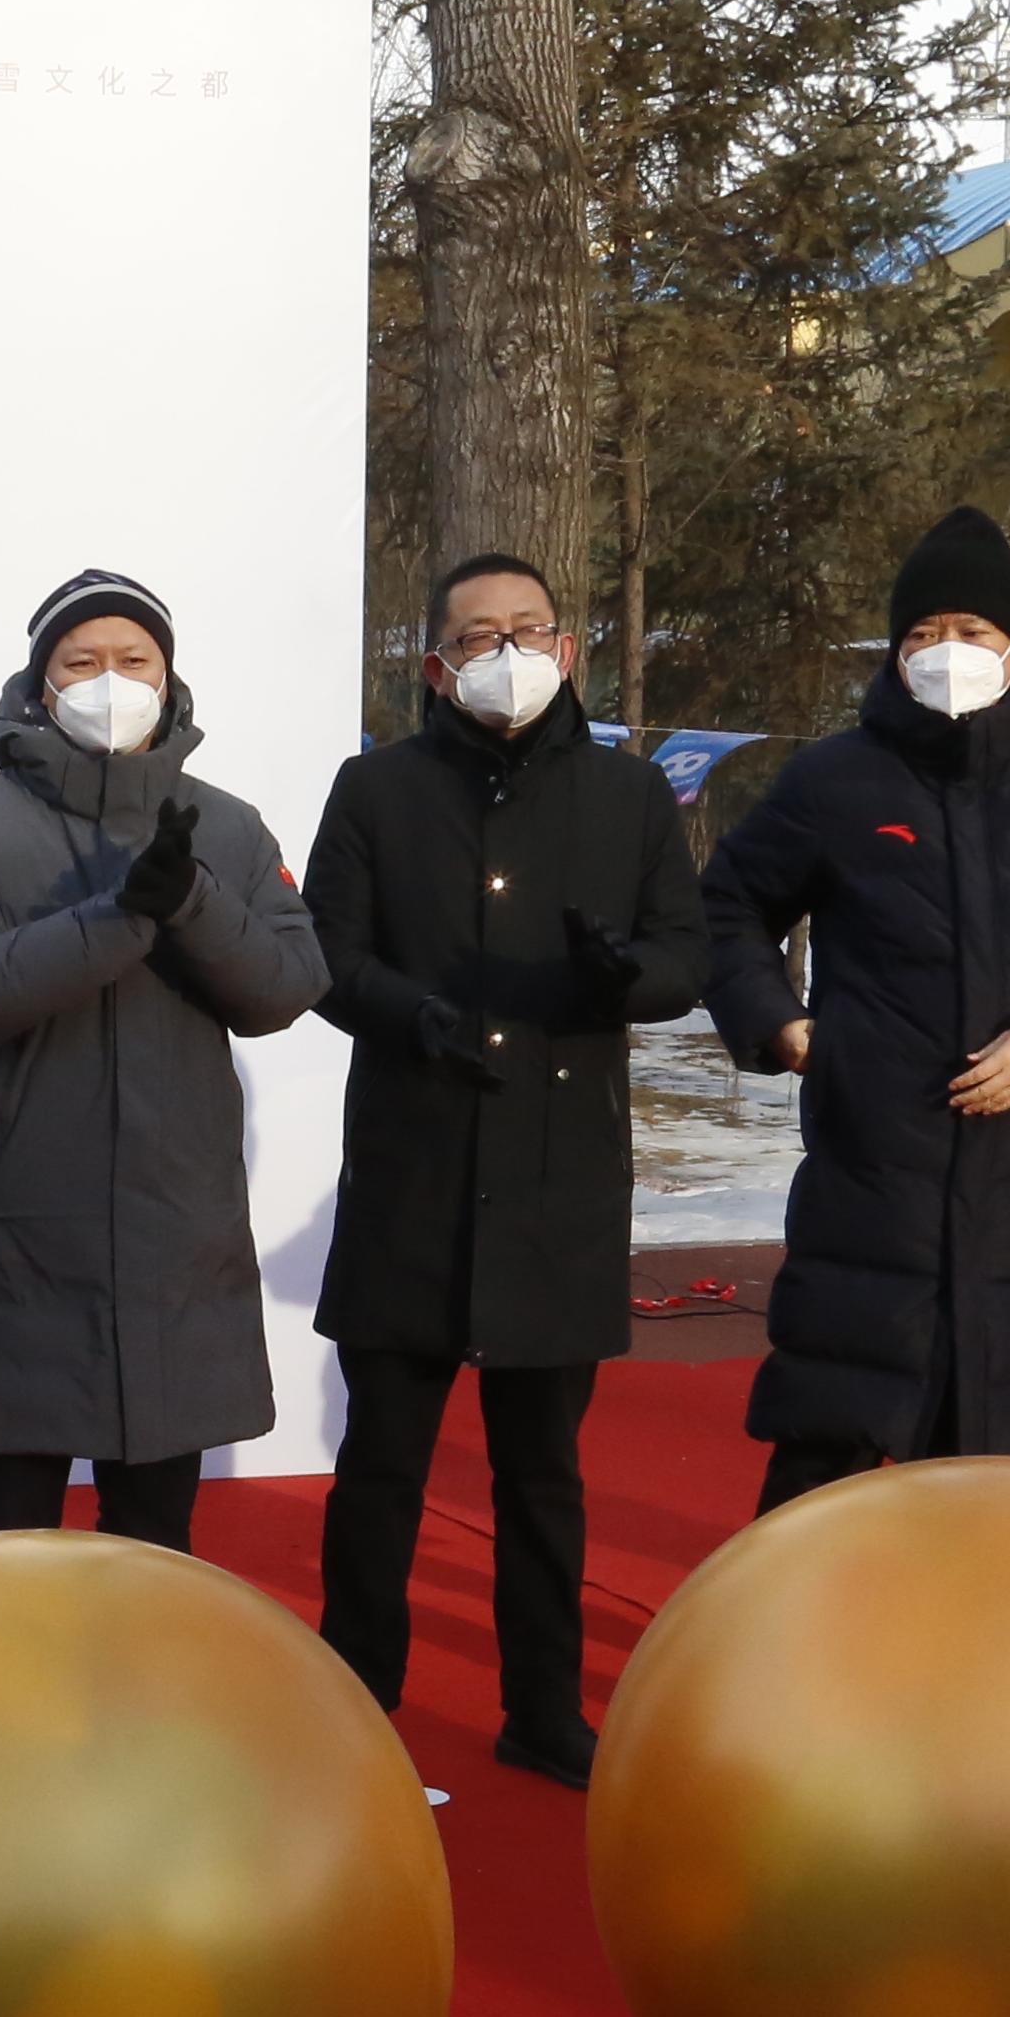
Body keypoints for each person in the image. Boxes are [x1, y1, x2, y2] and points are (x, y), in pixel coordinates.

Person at [699, 507, 1010, 1510]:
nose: (946, 651)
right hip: (870, 1178)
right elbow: (723, 908)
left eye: (971, 630)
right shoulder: (836, 778)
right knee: (824, 1479)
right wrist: (779, 1022)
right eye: (922, 633)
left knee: (1006, 1494)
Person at [301, 552, 703, 1790]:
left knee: (543, 1475)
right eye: (480, 636)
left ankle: (542, 1708)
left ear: (568, 650)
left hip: (555, 1176)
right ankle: (353, 1706)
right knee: (382, 1466)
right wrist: (410, 1014)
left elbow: (684, 954)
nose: (508, 652)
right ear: (437, 664)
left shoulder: (630, 792)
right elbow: (324, 953)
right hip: (413, 1169)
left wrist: (622, 976)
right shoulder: (374, 788)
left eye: (529, 629)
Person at [0, 571, 326, 1552]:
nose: (110, 681)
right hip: (22, 1235)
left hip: (175, 1230)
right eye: (81, 661)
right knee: (14, 1546)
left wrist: (193, 901)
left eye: (133, 660)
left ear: (167, 678)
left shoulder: (228, 826)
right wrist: (122, 913)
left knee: (153, 1541)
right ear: (40, 682)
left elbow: (286, 984)